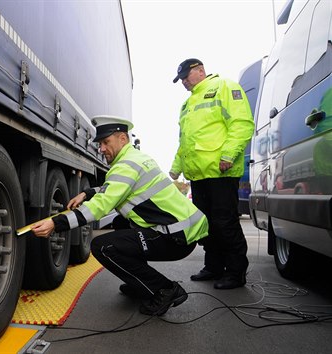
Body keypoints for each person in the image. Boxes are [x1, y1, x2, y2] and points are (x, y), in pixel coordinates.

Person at [31, 115, 208, 316]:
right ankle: (139, 282)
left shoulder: (126, 165)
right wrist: (87, 193)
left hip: (174, 238)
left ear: (122, 138)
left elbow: (101, 206)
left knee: (103, 247)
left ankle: (164, 289)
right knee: (120, 222)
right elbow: (115, 189)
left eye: (106, 142)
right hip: (179, 232)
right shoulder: (135, 159)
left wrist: (56, 223)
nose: (102, 149)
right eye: (100, 144)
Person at [170, 58, 254, 289]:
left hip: (221, 171)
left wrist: (228, 155)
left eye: (187, 76)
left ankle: (236, 273)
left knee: (225, 222)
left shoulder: (225, 87)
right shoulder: (187, 104)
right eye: (182, 79)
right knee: (206, 224)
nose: (184, 82)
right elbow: (184, 141)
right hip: (198, 174)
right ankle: (214, 267)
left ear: (200, 70)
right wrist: (176, 167)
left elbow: (242, 123)